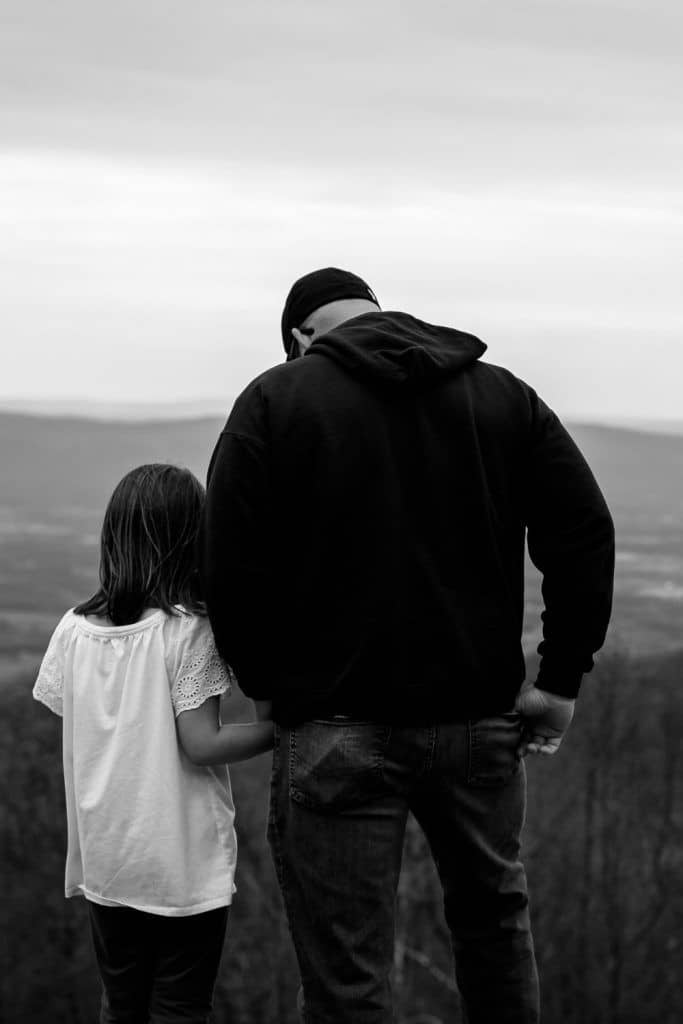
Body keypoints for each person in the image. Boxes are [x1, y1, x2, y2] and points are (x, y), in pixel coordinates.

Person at [200, 268, 615, 1023]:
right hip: (478, 721)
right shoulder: (502, 395)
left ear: (300, 336)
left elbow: (230, 564)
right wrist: (558, 681)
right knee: (494, 925)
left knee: (347, 972)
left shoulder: (274, 400)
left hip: (331, 727)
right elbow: (582, 531)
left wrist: (267, 684)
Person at [33, 463, 273, 1024]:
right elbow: (202, 743)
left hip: (107, 861)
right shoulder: (189, 630)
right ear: (192, 541)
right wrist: (281, 730)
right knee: (179, 1007)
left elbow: (76, 715)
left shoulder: (73, 629)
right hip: (177, 862)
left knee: (121, 1003)